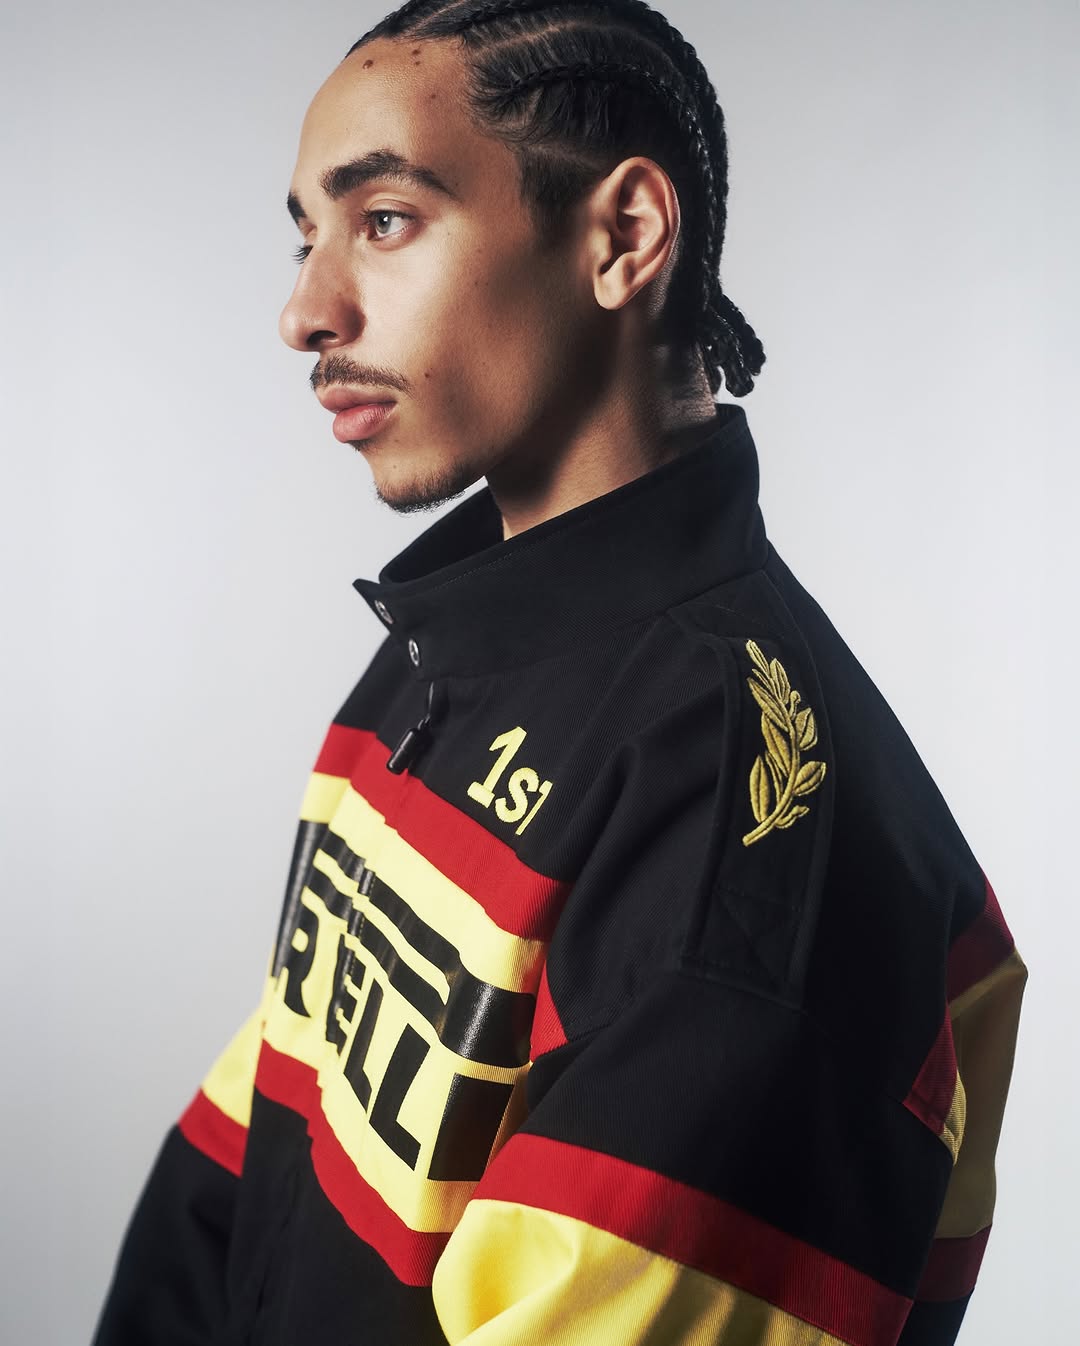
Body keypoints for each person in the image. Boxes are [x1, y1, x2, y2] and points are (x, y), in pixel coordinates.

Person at [92, 2, 1028, 1343]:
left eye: (385, 220)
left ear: (624, 236)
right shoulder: (431, 657)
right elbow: (259, 1133)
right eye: (308, 235)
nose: (306, 311)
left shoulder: (743, 821)